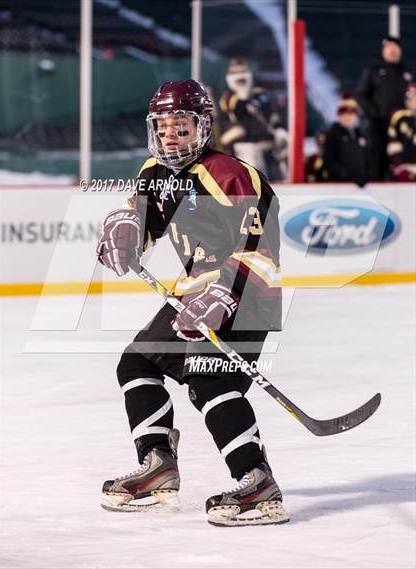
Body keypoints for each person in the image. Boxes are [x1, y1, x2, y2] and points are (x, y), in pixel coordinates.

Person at [96, 79, 289, 527]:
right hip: (193, 291)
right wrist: (127, 231)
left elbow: (262, 249)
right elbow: (142, 220)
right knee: (136, 364)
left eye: (181, 127)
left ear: (202, 128)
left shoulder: (231, 175)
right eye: (163, 127)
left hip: (245, 295)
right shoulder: (154, 173)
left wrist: (224, 294)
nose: (170, 136)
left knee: (211, 381)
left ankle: (257, 482)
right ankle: (158, 466)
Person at [219, 57, 288, 181]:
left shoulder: (260, 93)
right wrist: (243, 92)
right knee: (252, 181)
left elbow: (272, 114)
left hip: (268, 144)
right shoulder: (227, 97)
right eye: (235, 73)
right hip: (244, 147)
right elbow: (239, 107)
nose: (240, 76)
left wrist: (278, 130)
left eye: (243, 71)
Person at [356, 36, 413, 180]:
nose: (392, 50)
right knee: (377, 164)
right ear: (383, 50)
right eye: (389, 47)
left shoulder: (408, 72)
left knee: (402, 166)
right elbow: (361, 96)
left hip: (402, 130)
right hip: (379, 128)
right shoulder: (373, 70)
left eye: (395, 47)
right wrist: (375, 115)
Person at [323, 94, 368, 187]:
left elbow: (368, 158)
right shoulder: (333, 133)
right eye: (344, 114)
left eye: (351, 114)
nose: (348, 118)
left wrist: (366, 176)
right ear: (339, 116)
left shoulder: (360, 134)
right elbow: (329, 159)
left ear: (356, 116)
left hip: (360, 185)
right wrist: (346, 176)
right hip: (339, 185)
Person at [387, 82, 416, 181]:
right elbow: (393, 144)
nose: (414, 101)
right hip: (405, 168)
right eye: (411, 98)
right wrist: (398, 166)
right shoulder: (400, 117)